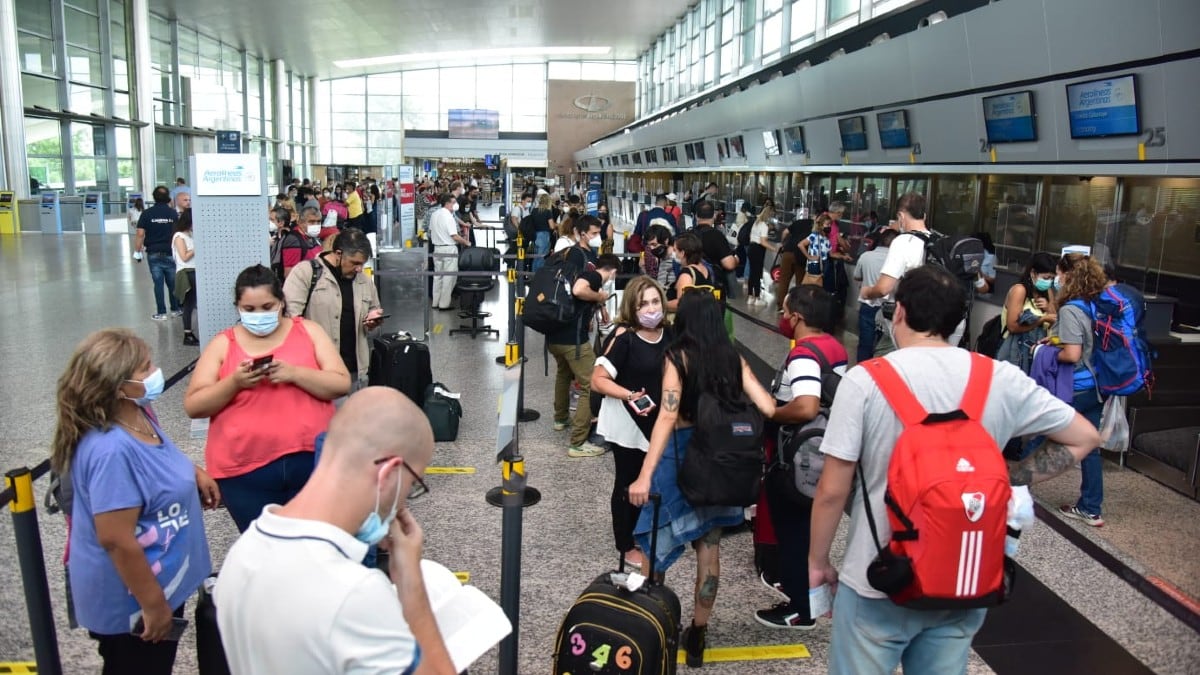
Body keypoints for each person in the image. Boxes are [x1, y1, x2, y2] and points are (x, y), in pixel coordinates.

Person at [807, 264, 1102, 675]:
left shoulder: (866, 381)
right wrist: (1011, 476)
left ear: (899, 313)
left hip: (879, 577)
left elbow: (832, 491)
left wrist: (818, 562)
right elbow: (1085, 436)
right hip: (966, 577)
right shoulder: (998, 377)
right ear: (958, 320)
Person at [215, 387, 456, 675]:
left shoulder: (243, 551)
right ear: (389, 473)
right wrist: (410, 582)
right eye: (412, 485)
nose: (404, 501)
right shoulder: (354, 593)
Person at [52, 329, 218, 675]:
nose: (155, 372)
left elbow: (154, 458)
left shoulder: (138, 413)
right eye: (145, 368)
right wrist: (154, 606)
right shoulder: (110, 449)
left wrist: (192, 473)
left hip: (165, 579)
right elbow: (115, 538)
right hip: (135, 603)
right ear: (117, 386)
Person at [628, 290, 776, 668]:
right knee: (709, 554)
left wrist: (644, 475)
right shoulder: (733, 358)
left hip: (681, 461)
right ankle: (698, 633)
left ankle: (654, 626)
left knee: (654, 551)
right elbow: (768, 407)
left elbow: (665, 416)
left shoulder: (677, 357)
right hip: (720, 462)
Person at [184, 265, 351, 532]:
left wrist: (295, 374)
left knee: (313, 544)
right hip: (244, 472)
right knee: (263, 548)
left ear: (281, 302)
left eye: (267, 306)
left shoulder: (308, 331)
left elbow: (340, 382)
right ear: (237, 307)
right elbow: (194, 405)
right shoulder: (223, 343)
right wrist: (234, 383)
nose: (258, 315)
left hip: (311, 462)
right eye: (249, 310)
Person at [755, 285, 848, 630]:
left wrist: (772, 411)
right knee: (807, 534)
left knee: (793, 534)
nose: (782, 318)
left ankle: (799, 608)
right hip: (823, 452)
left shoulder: (805, 354)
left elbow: (806, 405)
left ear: (799, 317)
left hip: (797, 458)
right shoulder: (835, 348)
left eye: (785, 311)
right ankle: (812, 600)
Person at [592, 276, 671, 571]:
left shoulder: (669, 334)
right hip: (628, 423)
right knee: (627, 482)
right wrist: (629, 396)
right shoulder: (624, 338)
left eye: (654, 301)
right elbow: (598, 380)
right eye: (643, 304)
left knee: (649, 478)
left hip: (657, 421)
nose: (651, 309)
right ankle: (625, 544)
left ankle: (644, 531)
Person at [860, 193, 966, 355]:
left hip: (917, 321)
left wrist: (866, 292)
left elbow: (883, 288)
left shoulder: (903, 242)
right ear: (923, 215)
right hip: (945, 317)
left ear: (901, 216)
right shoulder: (939, 240)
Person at [548, 223, 619, 458]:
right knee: (592, 384)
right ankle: (578, 442)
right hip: (572, 338)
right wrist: (600, 296)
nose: (597, 237)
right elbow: (579, 291)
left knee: (564, 373)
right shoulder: (592, 275)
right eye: (595, 233)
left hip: (555, 331)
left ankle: (561, 419)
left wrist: (598, 307)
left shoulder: (570, 261)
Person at [284, 228, 384, 391]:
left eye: (362, 264)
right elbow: (290, 322)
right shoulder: (305, 274)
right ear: (338, 253)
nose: (359, 269)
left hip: (355, 372)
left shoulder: (364, 282)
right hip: (318, 373)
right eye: (355, 263)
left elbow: (373, 321)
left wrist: (372, 322)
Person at [1053, 252, 1110, 526]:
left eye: (1059, 274)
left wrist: (1047, 352)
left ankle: (1010, 488)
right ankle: (1090, 507)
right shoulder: (1097, 305)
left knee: (1043, 432)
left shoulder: (1071, 310)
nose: (1057, 280)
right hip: (1097, 385)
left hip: (1075, 387)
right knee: (1091, 446)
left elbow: (1072, 354)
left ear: (1067, 276)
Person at [998, 252, 1058, 373]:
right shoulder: (1019, 290)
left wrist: (1048, 308)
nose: (1048, 282)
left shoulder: (1048, 292)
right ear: (1033, 273)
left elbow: (1054, 320)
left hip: (1036, 352)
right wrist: (1041, 320)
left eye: (1052, 278)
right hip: (1015, 352)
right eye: (1046, 278)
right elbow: (1012, 326)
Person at [134, 186, 182, 321]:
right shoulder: (173, 214)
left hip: (153, 253)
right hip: (170, 252)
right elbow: (179, 233)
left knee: (158, 284)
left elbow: (140, 233)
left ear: (154, 197)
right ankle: (175, 309)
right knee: (173, 283)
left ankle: (161, 313)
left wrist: (137, 251)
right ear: (168, 197)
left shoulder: (147, 213)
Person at [852, 228, 896, 363]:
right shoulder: (897, 260)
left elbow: (857, 276)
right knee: (885, 347)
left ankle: (862, 371)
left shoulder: (866, 256)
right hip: (890, 310)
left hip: (868, 306)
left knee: (865, 343)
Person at [429, 193, 470, 311]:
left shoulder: (434, 214)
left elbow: (431, 231)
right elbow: (454, 235)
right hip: (449, 249)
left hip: (437, 249)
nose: (456, 205)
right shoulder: (449, 216)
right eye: (454, 202)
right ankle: (444, 304)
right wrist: (466, 242)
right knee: (449, 278)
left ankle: (435, 302)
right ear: (447, 203)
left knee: (438, 277)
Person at [666, 231, 712, 313]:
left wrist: (661, 304)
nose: (673, 254)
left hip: (688, 322)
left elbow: (681, 304)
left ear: (682, 253)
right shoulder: (704, 268)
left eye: (675, 250)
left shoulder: (686, 274)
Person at [172, 209, 199, 346]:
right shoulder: (179, 236)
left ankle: (190, 331)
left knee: (192, 303)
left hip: (194, 271)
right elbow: (184, 256)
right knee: (189, 304)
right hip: (186, 272)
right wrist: (197, 247)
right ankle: (187, 333)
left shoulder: (191, 235)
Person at [746, 202, 772, 306]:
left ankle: (750, 296)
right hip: (758, 250)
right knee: (757, 273)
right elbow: (763, 242)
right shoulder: (764, 225)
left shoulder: (756, 223)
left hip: (751, 248)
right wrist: (774, 248)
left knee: (752, 273)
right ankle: (757, 297)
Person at [530, 193, 557, 272]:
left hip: (535, 235)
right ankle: (539, 274)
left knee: (536, 256)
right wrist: (557, 225)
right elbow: (552, 226)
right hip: (544, 235)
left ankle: (533, 274)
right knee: (542, 257)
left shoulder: (534, 211)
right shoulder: (547, 212)